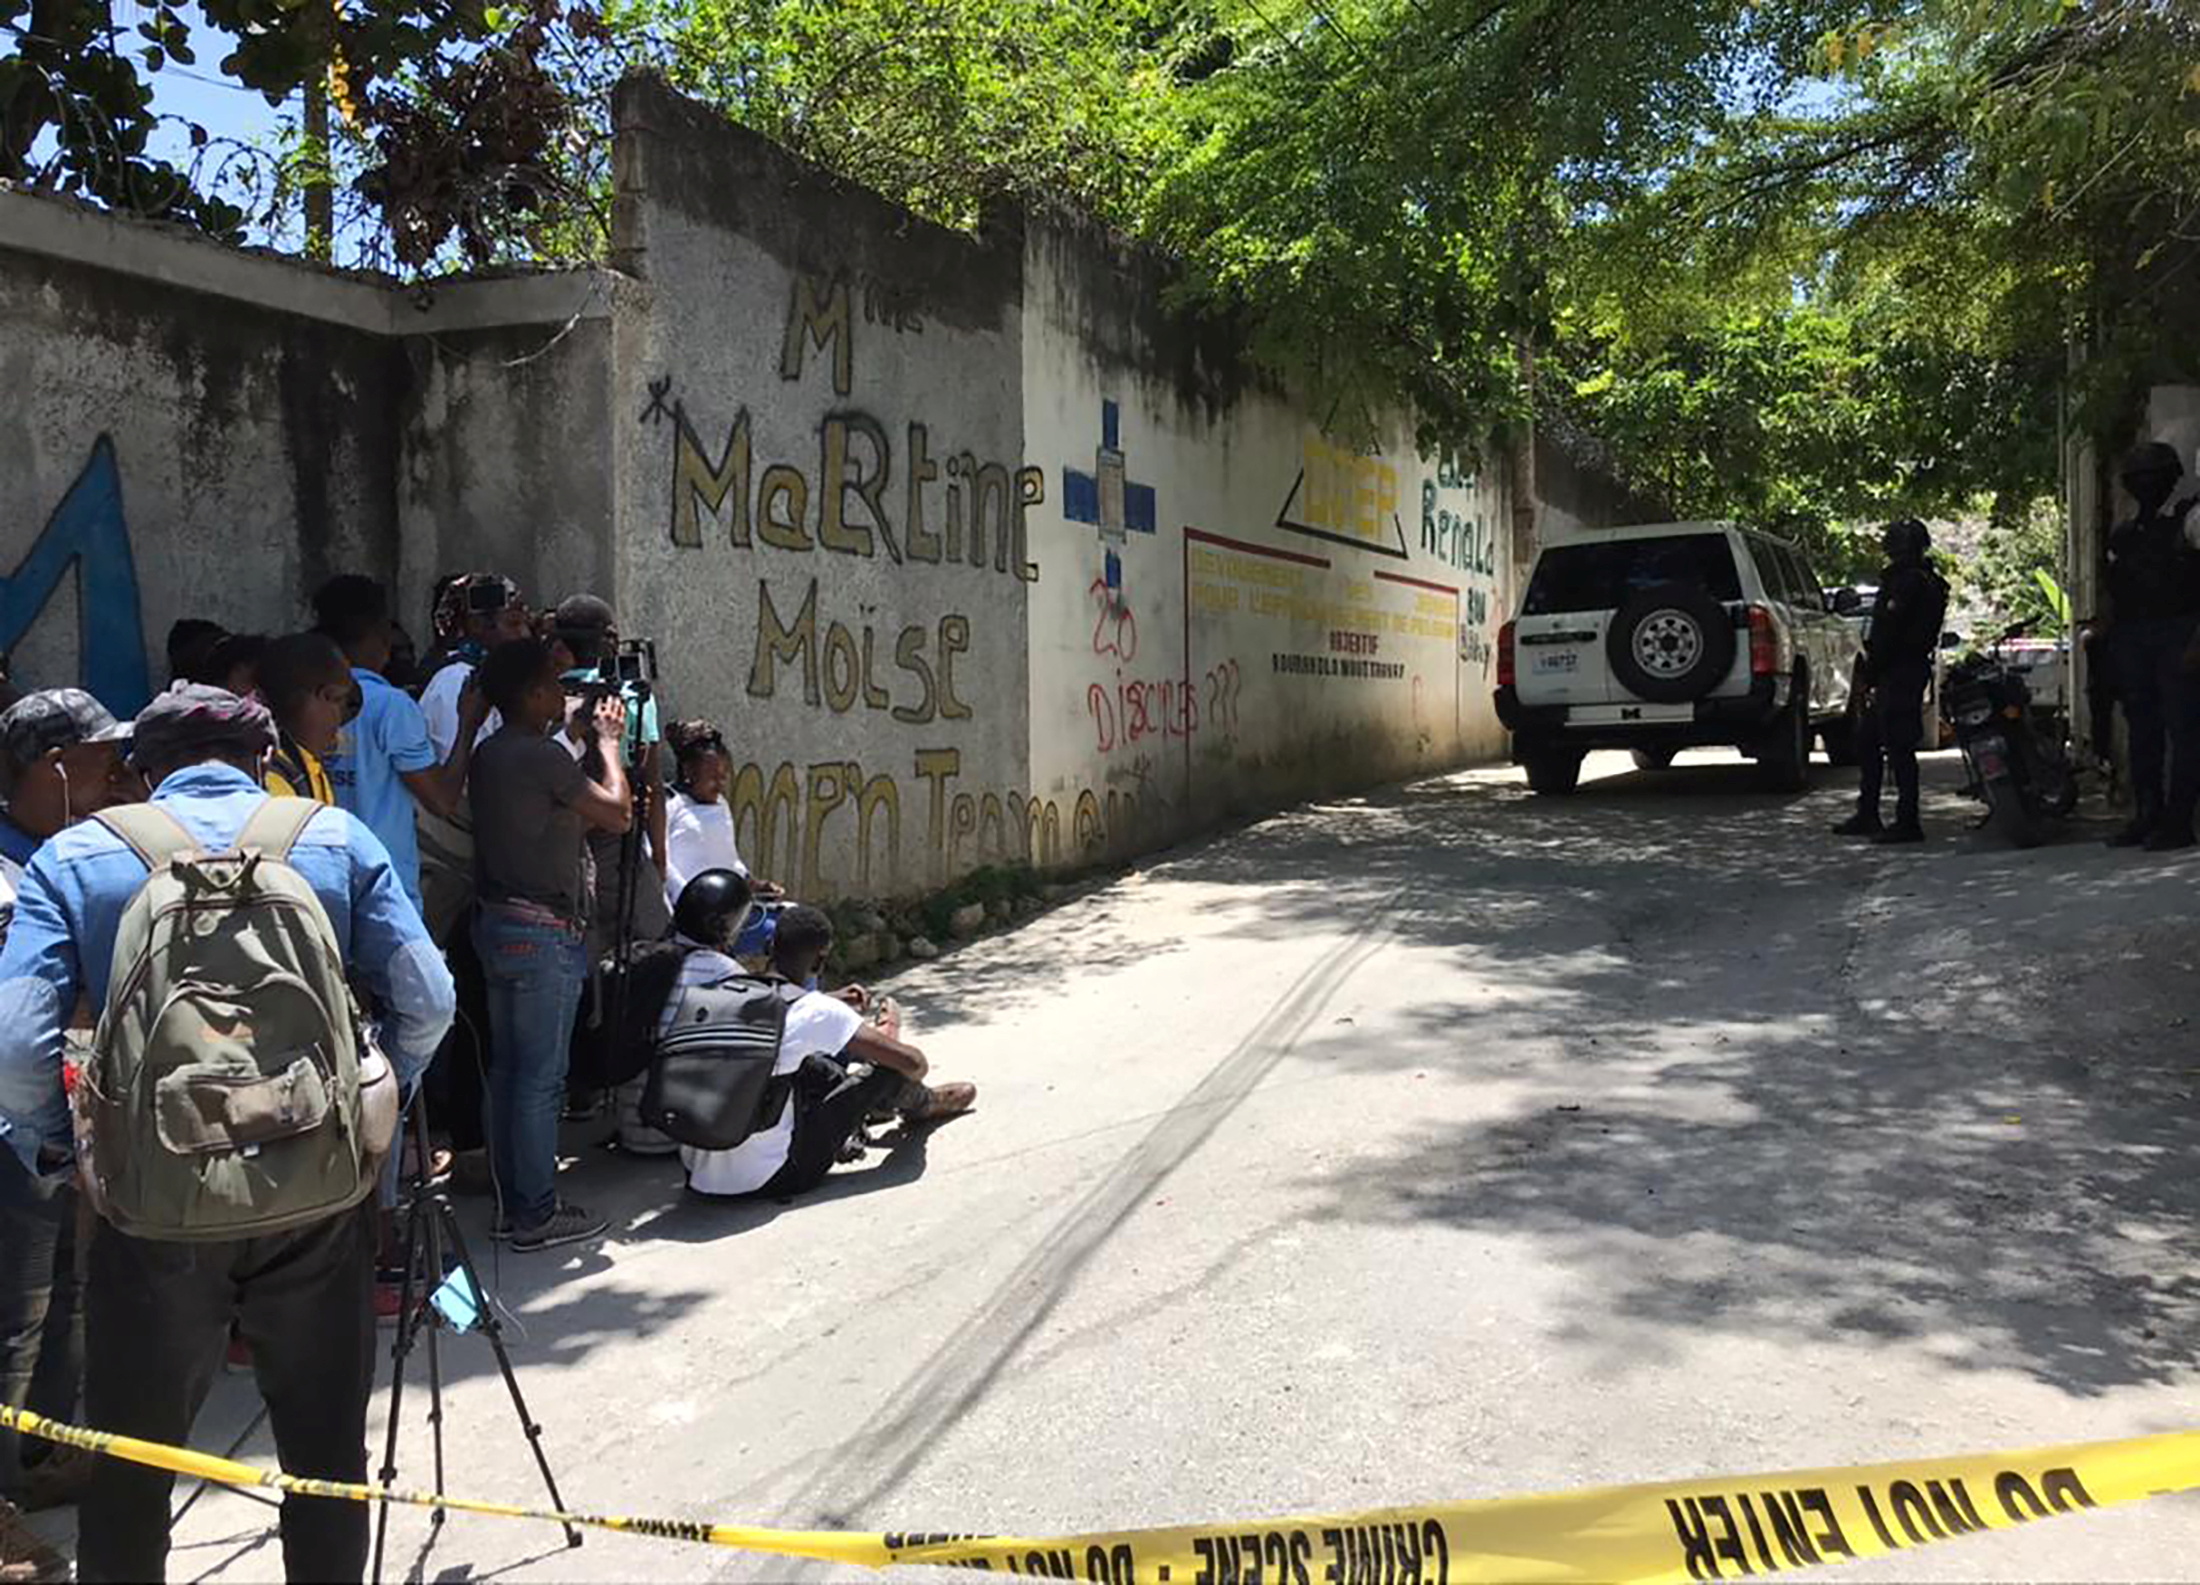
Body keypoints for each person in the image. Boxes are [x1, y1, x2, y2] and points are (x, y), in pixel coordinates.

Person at [0, 684, 455, 1583]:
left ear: (144, 765)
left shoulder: (79, 856)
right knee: (326, 1460)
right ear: (263, 760)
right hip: (317, 1192)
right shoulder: (330, 837)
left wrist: (64, 1149)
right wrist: (370, 1117)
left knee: (133, 1466)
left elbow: (17, 1042)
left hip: (148, 1202)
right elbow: (429, 1000)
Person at [0, 692, 138, 1578]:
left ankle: (46, 1459)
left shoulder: (67, 859)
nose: (120, 777)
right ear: (54, 767)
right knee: (13, 1320)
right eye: (103, 761)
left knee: (68, 1299)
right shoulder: (9, 877)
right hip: (15, 1129)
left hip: (65, 1121)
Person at [468, 639, 632, 1251]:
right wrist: (609, 746)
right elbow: (616, 814)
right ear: (535, 694)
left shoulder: (491, 754)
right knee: (541, 1081)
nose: (564, 698)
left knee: (510, 1073)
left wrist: (581, 746)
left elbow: (561, 820)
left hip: (499, 926)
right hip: (543, 935)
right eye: (555, 688)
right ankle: (537, 1214)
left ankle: (516, 1205)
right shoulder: (539, 756)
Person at [676, 896, 974, 1201]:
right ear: (820, 961)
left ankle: (883, 1103)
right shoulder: (815, 1010)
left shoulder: (730, 991)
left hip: (698, 1175)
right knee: (887, 1072)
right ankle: (922, 1102)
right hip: (773, 1177)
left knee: (808, 1064)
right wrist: (890, 1041)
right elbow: (913, 1063)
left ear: (769, 945)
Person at [314, 575, 482, 919]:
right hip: (383, 891)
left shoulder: (304, 700)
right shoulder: (389, 706)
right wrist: (468, 725)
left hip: (320, 882)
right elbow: (441, 799)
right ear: (382, 633)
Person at [2100, 442, 2200, 850]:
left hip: (2178, 634)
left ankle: (2178, 821)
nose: (2145, 484)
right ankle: (2148, 814)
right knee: (2143, 733)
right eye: (2137, 478)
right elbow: (2116, 594)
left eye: (2152, 476)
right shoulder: (2126, 533)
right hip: (2134, 639)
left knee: (2184, 732)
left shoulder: (2190, 521)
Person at [1833, 519, 1948, 845]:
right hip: (1895, 671)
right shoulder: (1918, 581)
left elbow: (1892, 635)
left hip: (1901, 671)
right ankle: (1868, 812)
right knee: (1869, 741)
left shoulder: (1909, 583)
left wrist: (1871, 672)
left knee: (1898, 747)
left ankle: (1907, 820)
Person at [662, 719, 781, 955]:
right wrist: (689, 899)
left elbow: (729, 859)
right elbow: (658, 859)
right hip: (688, 917)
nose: (721, 784)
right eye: (713, 776)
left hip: (727, 912)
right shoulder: (670, 803)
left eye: (724, 776)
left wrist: (755, 884)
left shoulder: (721, 805)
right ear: (688, 770)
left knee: (790, 931)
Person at [421, 574, 530, 760]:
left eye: (525, 623)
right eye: (513, 624)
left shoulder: (488, 677)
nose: (524, 634)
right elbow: (461, 772)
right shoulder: (455, 683)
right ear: (477, 625)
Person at [259, 634, 358, 806]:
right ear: (327, 696)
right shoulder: (272, 778)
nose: (340, 718)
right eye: (339, 700)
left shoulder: (306, 765)